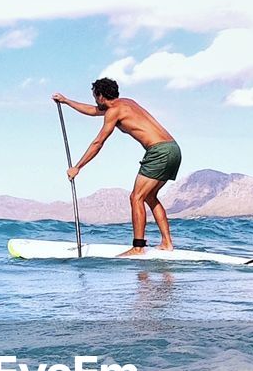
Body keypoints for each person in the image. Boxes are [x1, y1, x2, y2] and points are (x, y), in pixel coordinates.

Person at [53, 78, 180, 256]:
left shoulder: (113, 111)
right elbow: (93, 111)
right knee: (149, 197)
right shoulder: (127, 103)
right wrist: (66, 101)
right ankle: (167, 243)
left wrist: (77, 167)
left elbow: (98, 143)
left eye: (95, 96)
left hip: (158, 152)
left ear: (100, 95)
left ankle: (138, 248)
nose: (95, 101)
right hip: (173, 149)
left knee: (136, 198)